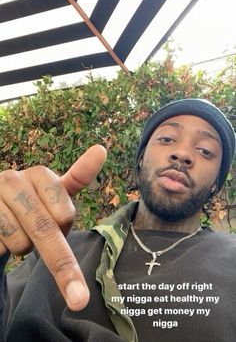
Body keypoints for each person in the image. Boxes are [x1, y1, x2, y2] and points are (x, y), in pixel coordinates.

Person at [0, 98, 235, 342]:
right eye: (167, 139)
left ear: (216, 185)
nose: (183, 154)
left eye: (206, 151)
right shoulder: (59, 252)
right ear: (141, 158)